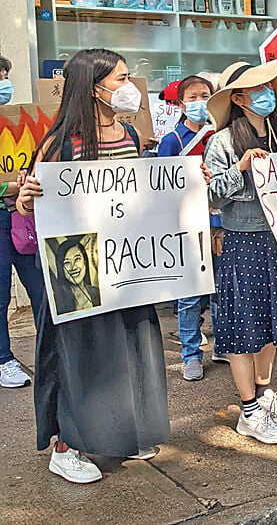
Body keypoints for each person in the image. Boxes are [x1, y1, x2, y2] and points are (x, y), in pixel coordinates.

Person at [17, 48, 170, 482]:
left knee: (125, 350)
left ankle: (121, 433)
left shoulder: (132, 137)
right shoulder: (59, 143)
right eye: (120, 79)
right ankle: (65, 446)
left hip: (127, 271)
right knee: (76, 354)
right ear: (94, 87)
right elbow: (37, 209)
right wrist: (27, 201)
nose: (128, 88)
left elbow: (143, 196)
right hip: (78, 272)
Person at [204, 57, 277, 445]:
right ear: (239, 98)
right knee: (245, 325)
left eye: (268, 87)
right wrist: (241, 167)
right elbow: (210, 194)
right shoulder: (224, 141)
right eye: (258, 88)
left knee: (270, 325)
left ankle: (264, 393)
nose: (266, 94)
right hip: (243, 242)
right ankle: (248, 410)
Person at [156, 74, 216, 381]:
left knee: (220, 290)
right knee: (191, 294)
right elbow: (160, 188)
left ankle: (223, 344)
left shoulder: (218, 134)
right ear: (181, 103)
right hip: (187, 226)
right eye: (193, 97)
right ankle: (191, 354)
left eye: (205, 95)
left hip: (219, 222)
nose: (200, 102)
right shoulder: (172, 141)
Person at [0, 56, 45, 390]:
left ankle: (49, 354)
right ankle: (4, 360)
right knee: (1, 297)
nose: (5, 84)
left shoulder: (22, 122)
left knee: (42, 291)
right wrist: (8, 187)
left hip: (23, 219)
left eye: (5, 76)